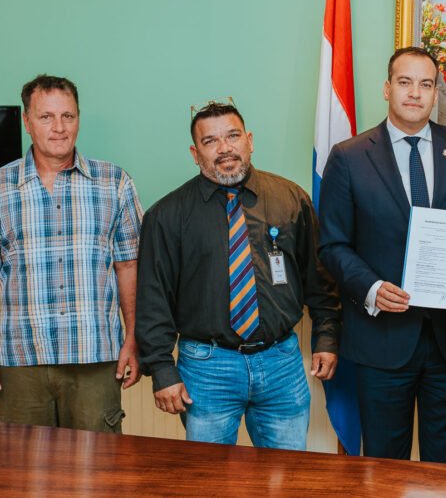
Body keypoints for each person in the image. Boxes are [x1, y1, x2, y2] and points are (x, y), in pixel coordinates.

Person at [318, 47, 446, 464]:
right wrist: (370, 287)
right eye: (405, 82)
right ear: (387, 89)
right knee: (384, 466)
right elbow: (331, 245)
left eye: (425, 84)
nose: (415, 93)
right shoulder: (348, 157)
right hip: (380, 340)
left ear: (436, 93)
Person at [136, 102, 340, 450]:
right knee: (209, 482)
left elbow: (318, 277)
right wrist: (162, 370)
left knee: (287, 479)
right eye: (210, 141)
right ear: (195, 152)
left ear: (249, 140)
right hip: (207, 370)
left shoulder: (290, 199)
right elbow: (154, 300)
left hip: (281, 364)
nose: (225, 148)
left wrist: (326, 338)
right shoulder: (167, 216)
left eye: (232, 136)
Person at [0, 74, 143, 433]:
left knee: (97, 477)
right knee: (23, 479)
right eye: (46, 117)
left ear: (78, 119)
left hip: (96, 360)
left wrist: (133, 338)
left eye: (68, 116)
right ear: (27, 121)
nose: (59, 128)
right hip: (22, 363)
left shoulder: (114, 183)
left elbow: (129, 266)